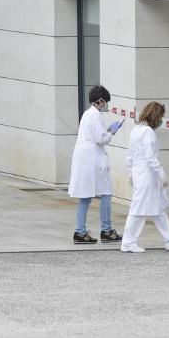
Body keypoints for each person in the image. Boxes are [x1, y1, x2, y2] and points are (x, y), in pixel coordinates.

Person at [121, 101, 169, 253]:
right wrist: (161, 174)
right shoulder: (148, 132)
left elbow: (130, 155)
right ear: (156, 117)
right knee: (138, 210)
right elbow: (150, 157)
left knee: (157, 208)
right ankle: (128, 242)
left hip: (140, 173)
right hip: (147, 174)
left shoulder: (136, 129)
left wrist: (130, 172)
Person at [68, 85, 123, 244]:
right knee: (106, 193)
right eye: (104, 102)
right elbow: (102, 138)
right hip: (93, 161)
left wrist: (106, 131)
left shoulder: (87, 114)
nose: (105, 105)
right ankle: (106, 230)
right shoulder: (95, 115)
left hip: (86, 160)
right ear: (99, 101)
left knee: (85, 196)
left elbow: (96, 135)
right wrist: (112, 131)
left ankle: (80, 231)